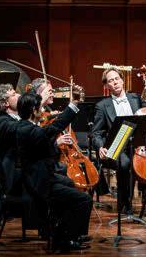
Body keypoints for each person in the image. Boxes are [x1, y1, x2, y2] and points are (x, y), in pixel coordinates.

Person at [16, 91, 92, 251]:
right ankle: (69, 239)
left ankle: (63, 234)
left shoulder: (25, 127)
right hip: (39, 183)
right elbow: (54, 127)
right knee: (84, 199)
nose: (42, 110)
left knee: (69, 183)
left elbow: (45, 140)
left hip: (40, 177)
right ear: (33, 110)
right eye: (40, 107)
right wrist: (73, 106)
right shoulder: (29, 130)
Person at [90, 67, 143, 214]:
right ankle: (125, 204)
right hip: (115, 146)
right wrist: (100, 147)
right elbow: (96, 133)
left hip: (136, 145)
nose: (115, 82)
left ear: (122, 80)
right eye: (110, 81)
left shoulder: (136, 98)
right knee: (125, 163)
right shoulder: (102, 106)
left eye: (117, 79)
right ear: (107, 85)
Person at [0, 84, 22, 193]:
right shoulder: (2, 121)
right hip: (15, 176)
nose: (19, 95)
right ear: (6, 103)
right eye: (14, 94)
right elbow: (20, 130)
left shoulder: (18, 118)